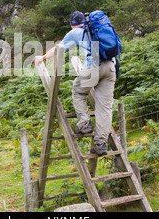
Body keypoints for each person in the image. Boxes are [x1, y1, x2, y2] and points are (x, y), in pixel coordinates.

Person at [35, 11, 116, 156]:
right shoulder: (96, 29)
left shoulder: (75, 32)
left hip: (93, 68)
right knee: (104, 109)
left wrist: (42, 57)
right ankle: (100, 144)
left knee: (78, 92)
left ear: (72, 24)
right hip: (110, 68)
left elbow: (58, 49)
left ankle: (84, 123)